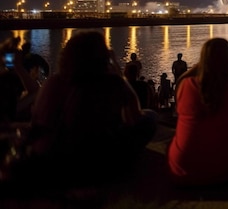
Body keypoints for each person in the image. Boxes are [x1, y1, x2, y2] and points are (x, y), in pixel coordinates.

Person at [29, 30, 157, 185]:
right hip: (97, 163)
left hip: (54, 159)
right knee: (150, 117)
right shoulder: (112, 83)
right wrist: (116, 70)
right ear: (102, 56)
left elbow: (39, 122)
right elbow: (135, 118)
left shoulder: (53, 82)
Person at [167, 38, 228, 186]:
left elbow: (180, 80)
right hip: (224, 171)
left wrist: (204, 62)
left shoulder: (186, 85)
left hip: (182, 170)